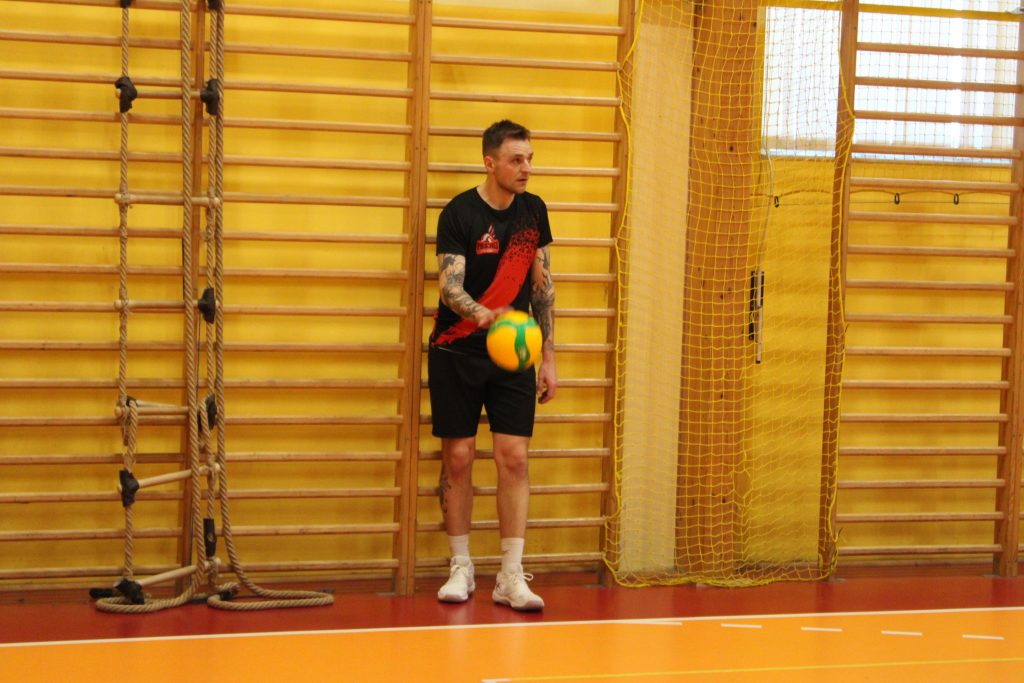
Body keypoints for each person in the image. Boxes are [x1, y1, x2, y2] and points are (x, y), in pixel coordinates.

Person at [428, 119, 557, 611]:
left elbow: (543, 288)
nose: (526, 168)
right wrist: (482, 313)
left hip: (514, 353)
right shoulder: (459, 213)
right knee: (459, 459)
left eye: (530, 159)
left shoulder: (533, 211)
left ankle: (510, 575)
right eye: (516, 160)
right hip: (456, 350)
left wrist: (548, 356)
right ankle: (461, 566)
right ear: (490, 162)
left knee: (514, 458)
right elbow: (449, 286)